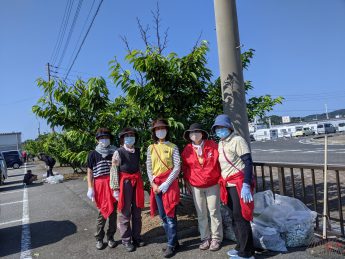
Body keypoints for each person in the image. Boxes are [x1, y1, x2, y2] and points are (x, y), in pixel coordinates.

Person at [212, 114, 255, 259]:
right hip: (228, 184)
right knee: (233, 216)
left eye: (222, 127)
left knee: (241, 216)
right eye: (217, 128)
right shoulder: (221, 143)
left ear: (229, 127)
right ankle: (240, 246)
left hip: (239, 183)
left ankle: (247, 252)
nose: (220, 130)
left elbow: (248, 162)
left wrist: (246, 184)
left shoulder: (238, 140)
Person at [181, 123, 223, 251]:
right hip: (196, 186)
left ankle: (216, 238)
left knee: (214, 211)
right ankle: (205, 238)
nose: (195, 134)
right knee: (201, 213)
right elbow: (185, 167)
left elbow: (220, 163)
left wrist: (220, 178)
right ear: (189, 136)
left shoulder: (212, 145)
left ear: (202, 133)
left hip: (213, 184)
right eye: (192, 132)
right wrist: (189, 180)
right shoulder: (187, 149)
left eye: (197, 131)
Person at [146, 119, 181, 258]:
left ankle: (171, 245)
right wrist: (153, 184)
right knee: (163, 216)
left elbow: (177, 166)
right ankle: (174, 241)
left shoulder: (173, 147)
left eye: (163, 128)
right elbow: (149, 167)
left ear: (167, 130)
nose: (160, 130)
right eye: (157, 128)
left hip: (170, 185)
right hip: (156, 186)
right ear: (154, 132)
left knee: (171, 215)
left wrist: (166, 184)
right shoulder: (151, 148)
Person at [110, 127, 145, 252]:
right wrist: (115, 189)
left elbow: (139, 167)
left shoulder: (138, 151)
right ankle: (126, 240)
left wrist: (141, 182)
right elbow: (114, 170)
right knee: (125, 212)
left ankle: (137, 237)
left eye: (132, 135)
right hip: (125, 183)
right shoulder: (118, 152)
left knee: (137, 212)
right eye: (127, 135)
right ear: (123, 138)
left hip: (137, 182)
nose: (130, 137)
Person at [87, 128, 117, 250]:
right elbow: (90, 172)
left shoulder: (115, 152)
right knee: (102, 213)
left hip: (113, 184)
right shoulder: (93, 154)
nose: (104, 140)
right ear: (97, 139)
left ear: (110, 139)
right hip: (100, 186)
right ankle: (99, 238)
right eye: (101, 138)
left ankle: (111, 237)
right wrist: (90, 187)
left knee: (113, 213)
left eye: (106, 137)